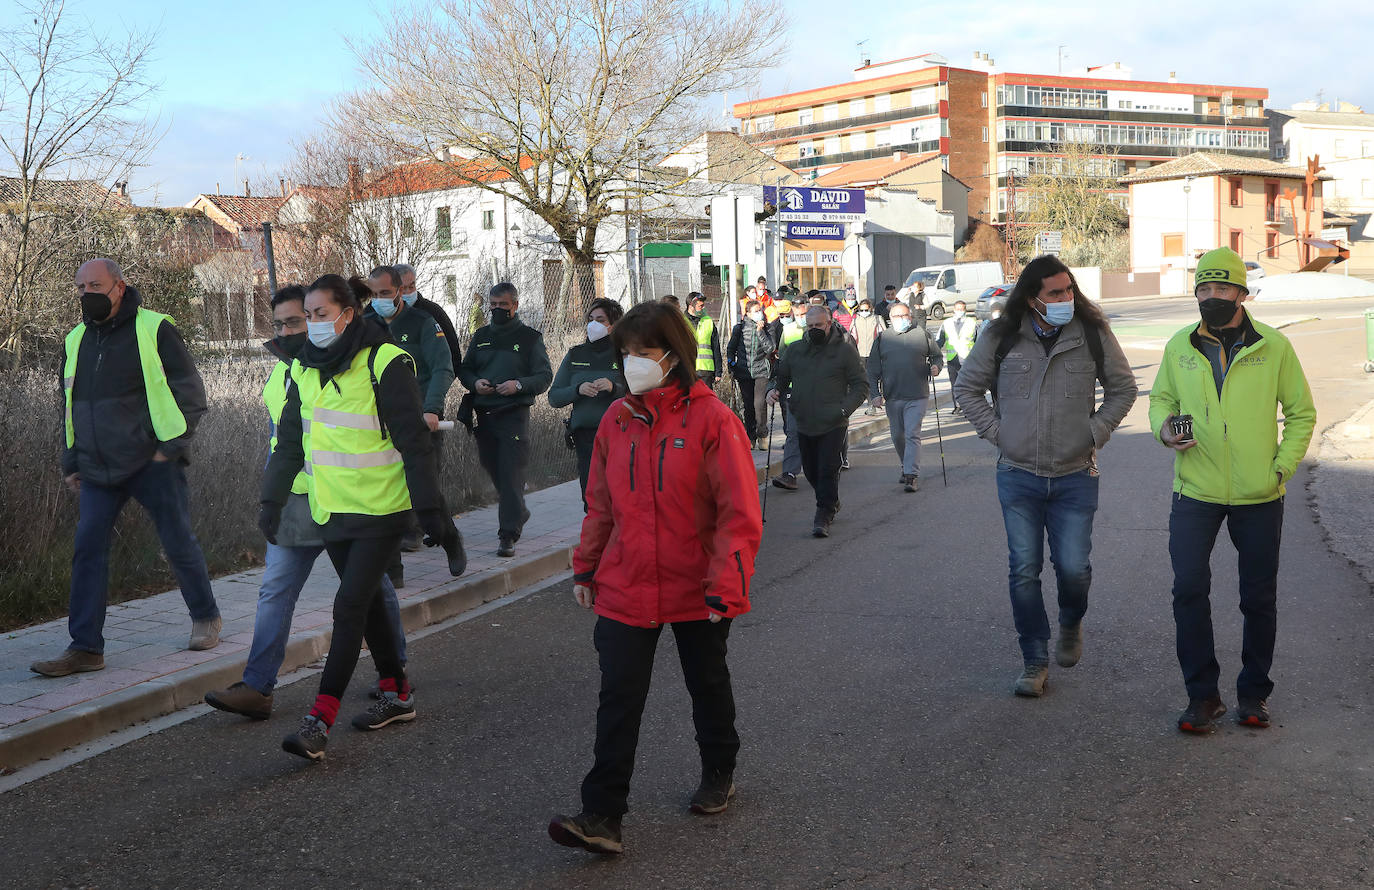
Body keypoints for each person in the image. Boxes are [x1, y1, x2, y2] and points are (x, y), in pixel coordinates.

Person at [549, 301, 762, 856]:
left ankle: (719, 769)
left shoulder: (713, 419)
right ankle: (601, 815)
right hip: (627, 583)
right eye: (625, 354)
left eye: (642, 353)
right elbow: (600, 504)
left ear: (673, 356)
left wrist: (728, 585)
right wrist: (587, 567)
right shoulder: (617, 420)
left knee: (706, 682)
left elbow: (739, 513)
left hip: (699, 586)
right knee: (618, 698)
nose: (631, 363)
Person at [258, 274, 447, 760]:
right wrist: (272, 500)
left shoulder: (385, 362)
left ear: (348, 313)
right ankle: (397, 692)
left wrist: (432, 514)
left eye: (321, 315)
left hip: (384, 511)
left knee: (347, 609)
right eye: (311, 315)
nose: (315, 325)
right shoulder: (305, 369)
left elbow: (414, 443)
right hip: (333, 508)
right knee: (366, 608)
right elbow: (292, 443)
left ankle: (317, 722)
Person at [204, 285, 408, 720]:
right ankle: (258, 687)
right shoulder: (283, 370)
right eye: (279, 324)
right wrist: (271, 498)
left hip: (346, 499)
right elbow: (286, 438)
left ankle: (394, 674)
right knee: (276, 588)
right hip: (297, 499)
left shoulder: (355, 363)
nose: (288, 330)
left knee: (371, 592)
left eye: (296, 321)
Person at [953, 256, 1137, 698]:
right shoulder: (1001, 336)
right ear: (1032, 298)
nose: (1065, 299)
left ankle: (1071, 621)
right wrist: (1001, 435)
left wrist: (1095, 433)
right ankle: (1034, 659)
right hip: (1018, 475)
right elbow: (967, 388)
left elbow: (1123, 388)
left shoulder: (1092, 332)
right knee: (1024, 570)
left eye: (1068, 290)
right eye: (1054, 294)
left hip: (1076, 474)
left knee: (1074, 569)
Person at [1149, 248, 1316, 734]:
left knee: (1258, 597)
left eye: (1223, 289)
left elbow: (1301, 412)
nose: (1212, 297)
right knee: (1188, 590)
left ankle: (1253, 694)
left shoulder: (1273, 346)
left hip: (1259, 496)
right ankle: (1202, 697)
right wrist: (1164, 430)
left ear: (1242, 293)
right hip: (1194, 491)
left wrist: (1279, 469)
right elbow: (1161, 399)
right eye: (1204, 288)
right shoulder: (1179, 345)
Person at [32, 259, 221, 678]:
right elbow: (68, 406)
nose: (86, 295)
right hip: (97, 467)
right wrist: (72, 459)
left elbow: (191, 392)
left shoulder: (154, 328)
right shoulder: (76, 339)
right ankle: (85, 648)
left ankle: (206, 616)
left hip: (152, 462)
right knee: (87, 550)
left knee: (177, 541)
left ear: (119, 287)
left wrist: (168, 448)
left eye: (94, 286)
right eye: (80, 288)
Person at [365, 265, 457, 573]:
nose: (379, 300)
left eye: (386, 293)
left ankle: (447, 536)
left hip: (420, 418)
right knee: (385, 491)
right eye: (374, 294)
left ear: (400, 291)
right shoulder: (365, 325)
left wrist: (432, 408)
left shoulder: (423, 323)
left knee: (424, 485)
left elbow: (442, 367)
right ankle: (394, 567)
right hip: (380, 423)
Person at [458, 282, 553, 557]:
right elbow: (465, 369)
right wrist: (476, 383)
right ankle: (519, 511)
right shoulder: (481, 336)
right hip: (484, 414)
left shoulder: (529, 338)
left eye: (503, 305)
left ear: (515, 305)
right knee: (494, 469)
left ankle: (507, 535)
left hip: (513, 414)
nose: (497, 309)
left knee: (511, 475)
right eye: (494, 304)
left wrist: (518, 385)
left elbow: (544, 376)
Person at [768, 306, 868, 537]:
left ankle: (823, 514)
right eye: (810, 326)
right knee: (811, 472)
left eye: (819, 325)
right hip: (804, 420)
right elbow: (782, 378)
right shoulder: (795, 350)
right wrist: (774, 391)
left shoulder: (844, 351)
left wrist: (844, 410)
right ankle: (831, 500)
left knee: (826, 469)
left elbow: (861, 385)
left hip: (834, 422)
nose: (814, 329)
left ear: (829, 324)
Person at [548, 298, 627, 510]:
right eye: (590, 319)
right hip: (586, 437)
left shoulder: (625, 354)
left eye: (600, 320)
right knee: (591, 496)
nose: (593, 324)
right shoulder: (576, 355)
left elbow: (641, 393)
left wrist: (614, 388)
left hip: (620, 434)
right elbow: (554, 397)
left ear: (614, 324)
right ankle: (596, 540)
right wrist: (577, 390)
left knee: (618, 496)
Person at [867, 301, 943, 493]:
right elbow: (873, 369)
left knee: (912, 433)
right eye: (897, 317)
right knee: (897, 436)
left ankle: (911, 475)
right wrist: (875, 395)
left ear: (910, 316)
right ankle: (905, 465)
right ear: (890, 320)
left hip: (917, 394)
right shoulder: (883, 338)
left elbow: (936, 356)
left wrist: (936, 367)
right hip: (892, 395)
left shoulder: (922, 334)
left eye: (905, 316)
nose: (902, 320)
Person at [768, 300, 809, 491]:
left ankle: (825, 469)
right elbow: (782, 363)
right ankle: (790, 474)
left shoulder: (827, 330)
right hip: (794, 390)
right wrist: (775, 387)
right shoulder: (789, 330)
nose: (801, 318)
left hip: (821, 391)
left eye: (804, 314)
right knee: (793, 432)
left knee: (819, 434)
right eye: (798, 314)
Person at [725, 299, 775, 450]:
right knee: (748, 406)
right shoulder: (739, 328)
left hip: (761, 371)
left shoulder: (768, 328)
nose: (759, 313)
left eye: (760, 310)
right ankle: (750, 436)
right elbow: (730, 348)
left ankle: (762, 435)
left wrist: (761, 333)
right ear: (747, 313)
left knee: (759, 404)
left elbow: (770, 349)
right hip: (744, 371)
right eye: (755, 311)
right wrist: (731, 364)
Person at [395, 263, 462, 373]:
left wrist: (439, 384)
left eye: (411, 287)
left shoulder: (433, 312)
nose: (408, 292)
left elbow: (453, 353)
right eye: (402, 289)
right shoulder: (378, 314)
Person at [937, 300, 978, 412]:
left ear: (965, 310)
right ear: (954, 310)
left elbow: (978, 341)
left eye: (962, 309)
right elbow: (939, 340)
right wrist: (934, 352)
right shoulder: (947, 323)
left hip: (967, 359)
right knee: (954, 384)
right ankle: (958, 405)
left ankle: (968, 406)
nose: (960, 311)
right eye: (958, 309)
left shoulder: (972, 322)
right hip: (953, 358)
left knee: (967, 384)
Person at [850, 299, 886, 415]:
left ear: (871, 308)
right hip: (860, 354)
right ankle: (871, 404)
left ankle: (879, 399)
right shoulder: (855, 319)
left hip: (874, 354)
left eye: (866, 309)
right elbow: (851, 337)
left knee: (876, 378)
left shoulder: (877, 319)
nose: (864, 312)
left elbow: (884, 336)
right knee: (866, 380)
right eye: (862, 310)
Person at [684, 292, 722, 388]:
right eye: (700, 306)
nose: (703, 308)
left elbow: (716, 347)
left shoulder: (708, 322)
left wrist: (718, 371)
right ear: (691, 306)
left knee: (705, 401)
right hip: (687, 371)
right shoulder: (681, 322)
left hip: (706, 371)